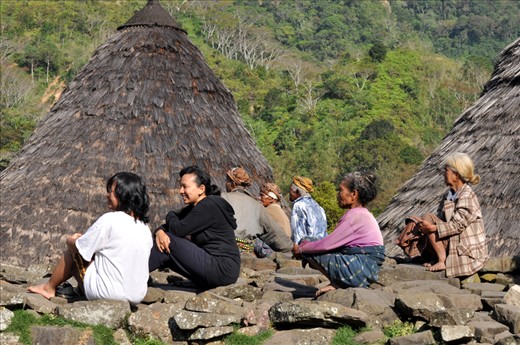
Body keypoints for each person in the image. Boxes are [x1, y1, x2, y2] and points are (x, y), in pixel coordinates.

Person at [28, 172, 153, 304]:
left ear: (124, 194)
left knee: (73, 253)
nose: (107, 195)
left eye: (111, 191)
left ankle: (48, 288)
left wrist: (71, 240)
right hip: (136, 296)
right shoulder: (144, 228)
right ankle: (80, 290)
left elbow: (79, 248)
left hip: (108, 293)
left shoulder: (110, 220)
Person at [292, 172, 385, 297]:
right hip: (366, 270)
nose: (338, 194)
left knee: (307, 241)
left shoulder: (355, 216)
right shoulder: (362, 214)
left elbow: (326, 245)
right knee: (311, 243)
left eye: (340, 190)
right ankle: (338, 282)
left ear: (353, 194)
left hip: (359, 270)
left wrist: (301, 249)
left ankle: (339, 283)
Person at [149, 166, 240, 289]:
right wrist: (159, 231)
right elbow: (168, 226)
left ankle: (131, 276)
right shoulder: (195, 208)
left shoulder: (209, 206)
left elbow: (177, 230)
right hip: (217, 267)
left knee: (169, 241)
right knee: (164, 241)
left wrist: (170, 214)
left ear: (201, 189)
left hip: (221, 267)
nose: (181, 191)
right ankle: (132, 274)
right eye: (181, 186)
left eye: (185, 187)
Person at [413, 152, 488, 277]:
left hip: (465, 249)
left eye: (446, 170)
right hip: (453, 240)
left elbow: (458, 225)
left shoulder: (467, 196)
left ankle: (442, 261)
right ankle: (438, 258)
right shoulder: (450, 195)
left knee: (430, 222)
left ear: (456, 175)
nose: (443, 173)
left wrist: (433, 227)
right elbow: (443, 220)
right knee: (425, 219)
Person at [220, 167, 294, 255]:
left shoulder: (220, 199)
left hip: (221, 249)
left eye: (227, 181)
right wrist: (293, 247)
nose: (226, 184)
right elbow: (275, 235)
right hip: (244, 254)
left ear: (232, 183)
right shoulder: (257, 206)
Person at [253, 182, 292, 257]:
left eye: (262, 195)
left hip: (273, 249)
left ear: (271, 199)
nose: (259, 198)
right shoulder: (280, 211)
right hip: (284, 248)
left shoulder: (267, 211)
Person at [289, 176, 328, 245]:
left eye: (291, 191)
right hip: (321, 247)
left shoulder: (299, 205)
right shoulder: (318, 206)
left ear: (297, 192)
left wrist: (297, 250)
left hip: (307, 250)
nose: (289, 194)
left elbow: (298, 233)